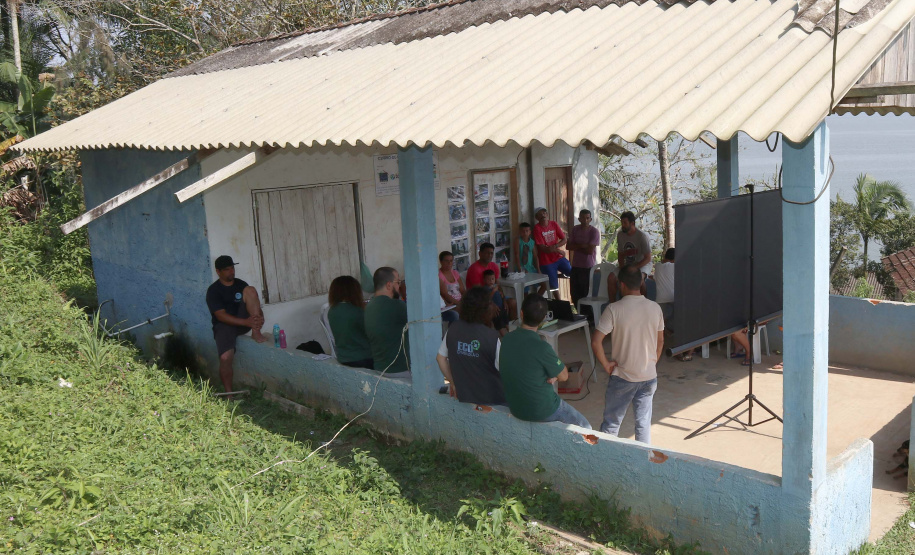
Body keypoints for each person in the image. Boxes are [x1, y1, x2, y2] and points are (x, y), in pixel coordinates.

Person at [591, 264, 664, 444]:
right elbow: (660, 340)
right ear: (641, 282)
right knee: (643, 424)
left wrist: (607, 364)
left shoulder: (614, 309)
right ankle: (643, 462)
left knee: (611, 424)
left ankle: (605, 460)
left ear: (620, 284)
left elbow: (596, 341)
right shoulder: (655, 308)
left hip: (623, 377)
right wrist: (651, 362)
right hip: (648, 376)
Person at [499, 294, 592, 429]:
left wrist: (551, 373)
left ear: (521, 313)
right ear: (543, 319)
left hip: (515, 407)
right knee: (586, 427)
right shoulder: (542, 347)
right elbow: (564, 376)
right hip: (542, 410)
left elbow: (523, 366)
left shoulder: (507, 339)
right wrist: (554, 372)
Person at [205, 255, 267, 398]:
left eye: (232, 268)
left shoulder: (241, 284)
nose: (231, 272)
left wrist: (258, 318)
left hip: (244, 321)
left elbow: (253, 303)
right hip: (224, 326)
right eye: (227, 269)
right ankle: (229, 394)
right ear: (218, 271)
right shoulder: (213, 291)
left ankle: (256, 332)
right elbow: (220, 316)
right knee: (225, 358)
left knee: (251, 290)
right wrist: (247, 322)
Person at [435, 287, 506, 406]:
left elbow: (440, 358)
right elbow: (505, 371)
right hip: (491, 398)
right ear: (485, 309)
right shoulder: (491, 337)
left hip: (463, 394)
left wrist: (453, 382)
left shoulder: (453, 328)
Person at [364, 267, 410, 376]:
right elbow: (421, 325)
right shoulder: (397, 306)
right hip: (400, 370)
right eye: (398, 282)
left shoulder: (368, 306)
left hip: (380, 368)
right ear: (389, 285)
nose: (399, 287)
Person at [652, 248, 693, 361]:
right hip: (675, 298)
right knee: (682, 322)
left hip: (660, 300)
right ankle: (683, 349)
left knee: (660, 322)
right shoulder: (676, 267)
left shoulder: (658, 266)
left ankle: (659, 343)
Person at [327, 275, 373, 369]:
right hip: (364, 358)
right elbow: (372, 334)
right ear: (354, 292)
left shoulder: (332, 311)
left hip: (343, 357)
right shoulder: (357, 311)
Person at [607, 211, 651, 303]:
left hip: (642, 264)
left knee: (640, 280)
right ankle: (613, 305)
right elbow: (620, 254)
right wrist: (623, 269)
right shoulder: (620, 235)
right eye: (622, 223)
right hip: (627, 265)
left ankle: (644, 305)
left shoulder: (642, 236)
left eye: (625, 223)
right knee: (611, 278)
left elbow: (648, 258)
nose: (622, 225)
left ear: (632, 223)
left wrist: (634, 268)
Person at [466, 242, 515, 320]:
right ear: (480, 254)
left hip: (493, 295)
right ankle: (497, 329)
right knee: (491, 308)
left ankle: (510, 328)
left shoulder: (494, 266)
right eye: (487, 253)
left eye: (491, 253)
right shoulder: (474, 269)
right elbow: (479, 293)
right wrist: (491, 303)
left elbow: (498, 285)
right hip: (478, 298)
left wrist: (504, 299)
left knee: (512, 303)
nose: (489, 255)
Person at [533, 207, 572, 295]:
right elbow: (544, 249)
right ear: (537, 218)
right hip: (546, 261)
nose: (543, 215)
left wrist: (555, 247)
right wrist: (558, 250)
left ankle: (555, 276)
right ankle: (559, 306)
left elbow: (564, 239)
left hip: (557, 257)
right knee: (553, 288)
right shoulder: (537, 229)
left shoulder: (553, 224)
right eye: (540, 214)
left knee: (572, 272)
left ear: (547, 214)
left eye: (544, 213)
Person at [567, 209, 601, 306]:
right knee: (574, 294)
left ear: (590, 219)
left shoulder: (594, 232)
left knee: (585, 294)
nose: (585, 220)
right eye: (583, 218)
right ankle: (578, 314)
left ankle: (588, 316)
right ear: (579, 219)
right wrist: (583, 245)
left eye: (587, 218)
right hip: (575, 266)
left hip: (587, 267)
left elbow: (590, 251)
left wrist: (577, 246)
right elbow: (568, 246)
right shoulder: (575, 229)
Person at [482, 269, 510, 334]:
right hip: (495, 309)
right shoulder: (485, 288)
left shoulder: (496, 286)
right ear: (484, 280)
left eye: (492, 279)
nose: (491, 281)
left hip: (502, 307)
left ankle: (510, 333)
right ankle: (505, 337)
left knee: (506, 321)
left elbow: (501, 295)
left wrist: (501, 295)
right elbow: (487, 299)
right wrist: (494, 291)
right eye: (489, 279)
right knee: (500, 325)